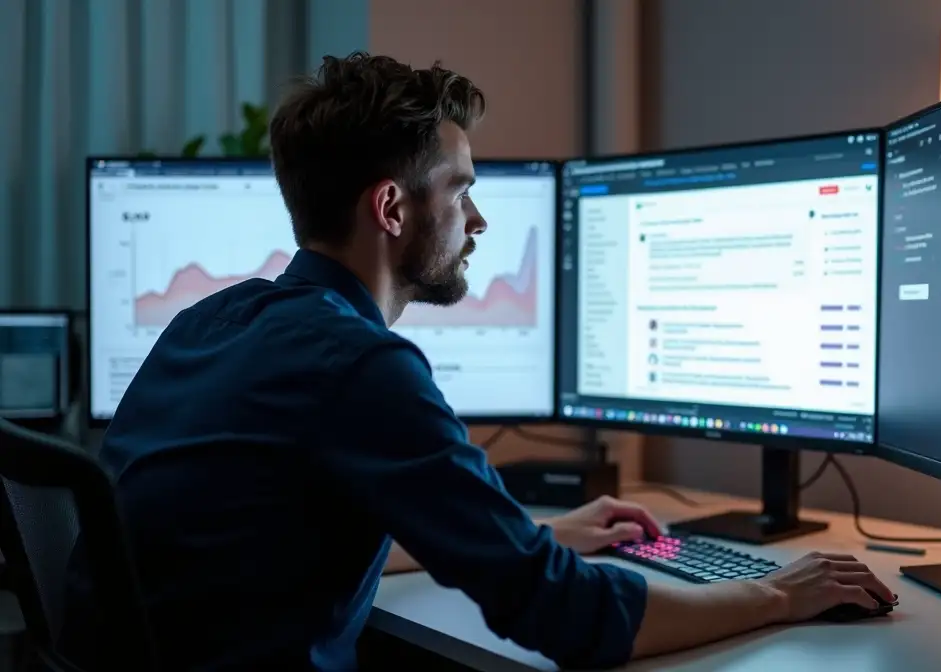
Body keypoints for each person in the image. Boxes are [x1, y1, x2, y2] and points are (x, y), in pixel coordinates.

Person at [61, 52, 894, 671]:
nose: (479, 220)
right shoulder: (361, 366)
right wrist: (777, 593)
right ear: (392, 208)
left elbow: (279, 545)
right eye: (460, 188)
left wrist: (532, 535)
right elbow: (563, 617)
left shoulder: (212, 320)